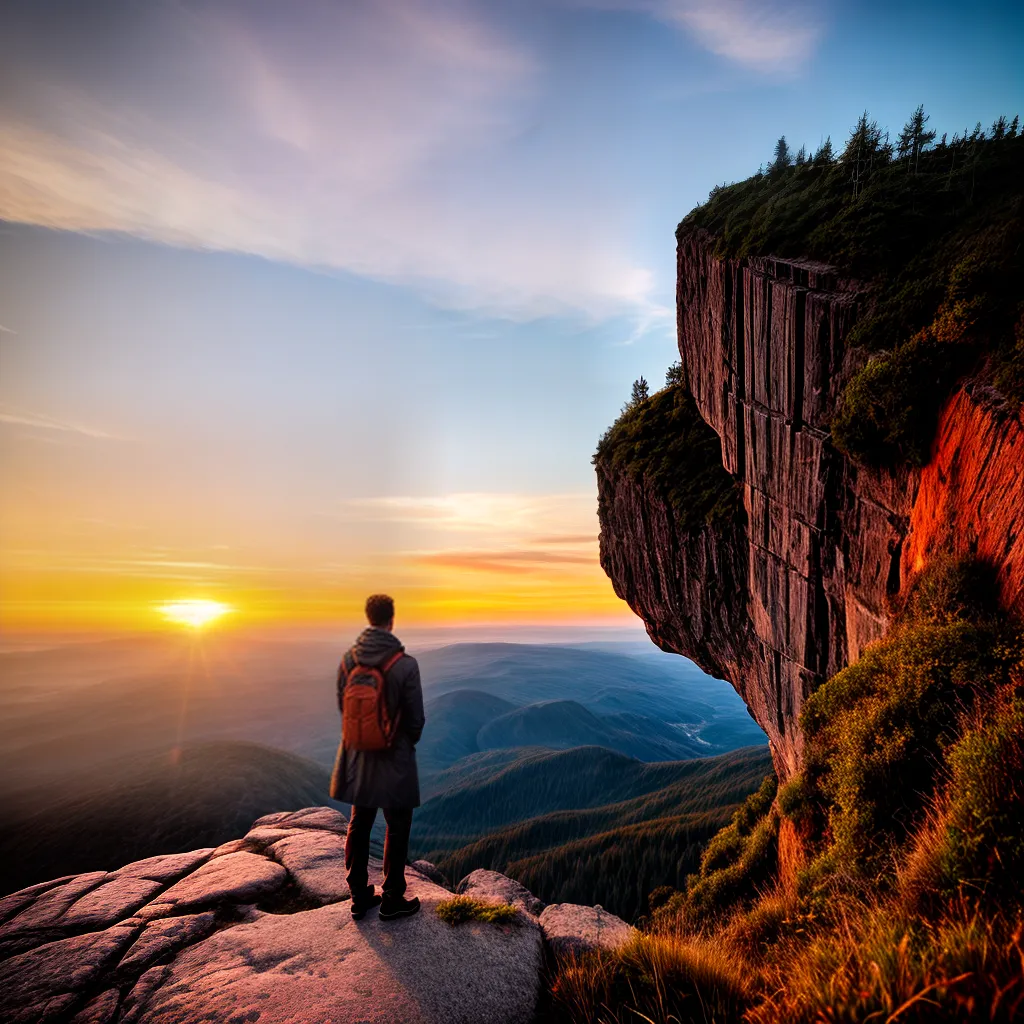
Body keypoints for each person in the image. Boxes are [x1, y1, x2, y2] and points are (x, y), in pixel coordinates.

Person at [330, 594, 425, 921]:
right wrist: (400, 743)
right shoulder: (405, 664)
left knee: (360, 821)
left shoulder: (347, 660)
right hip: (393, 758)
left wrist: (363, 738)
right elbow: (415, 721)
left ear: (369, 619)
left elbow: (345, 709)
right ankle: (393, 898)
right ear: (391, 620)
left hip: (357, 757)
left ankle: (358, 895)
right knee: (397, 827)